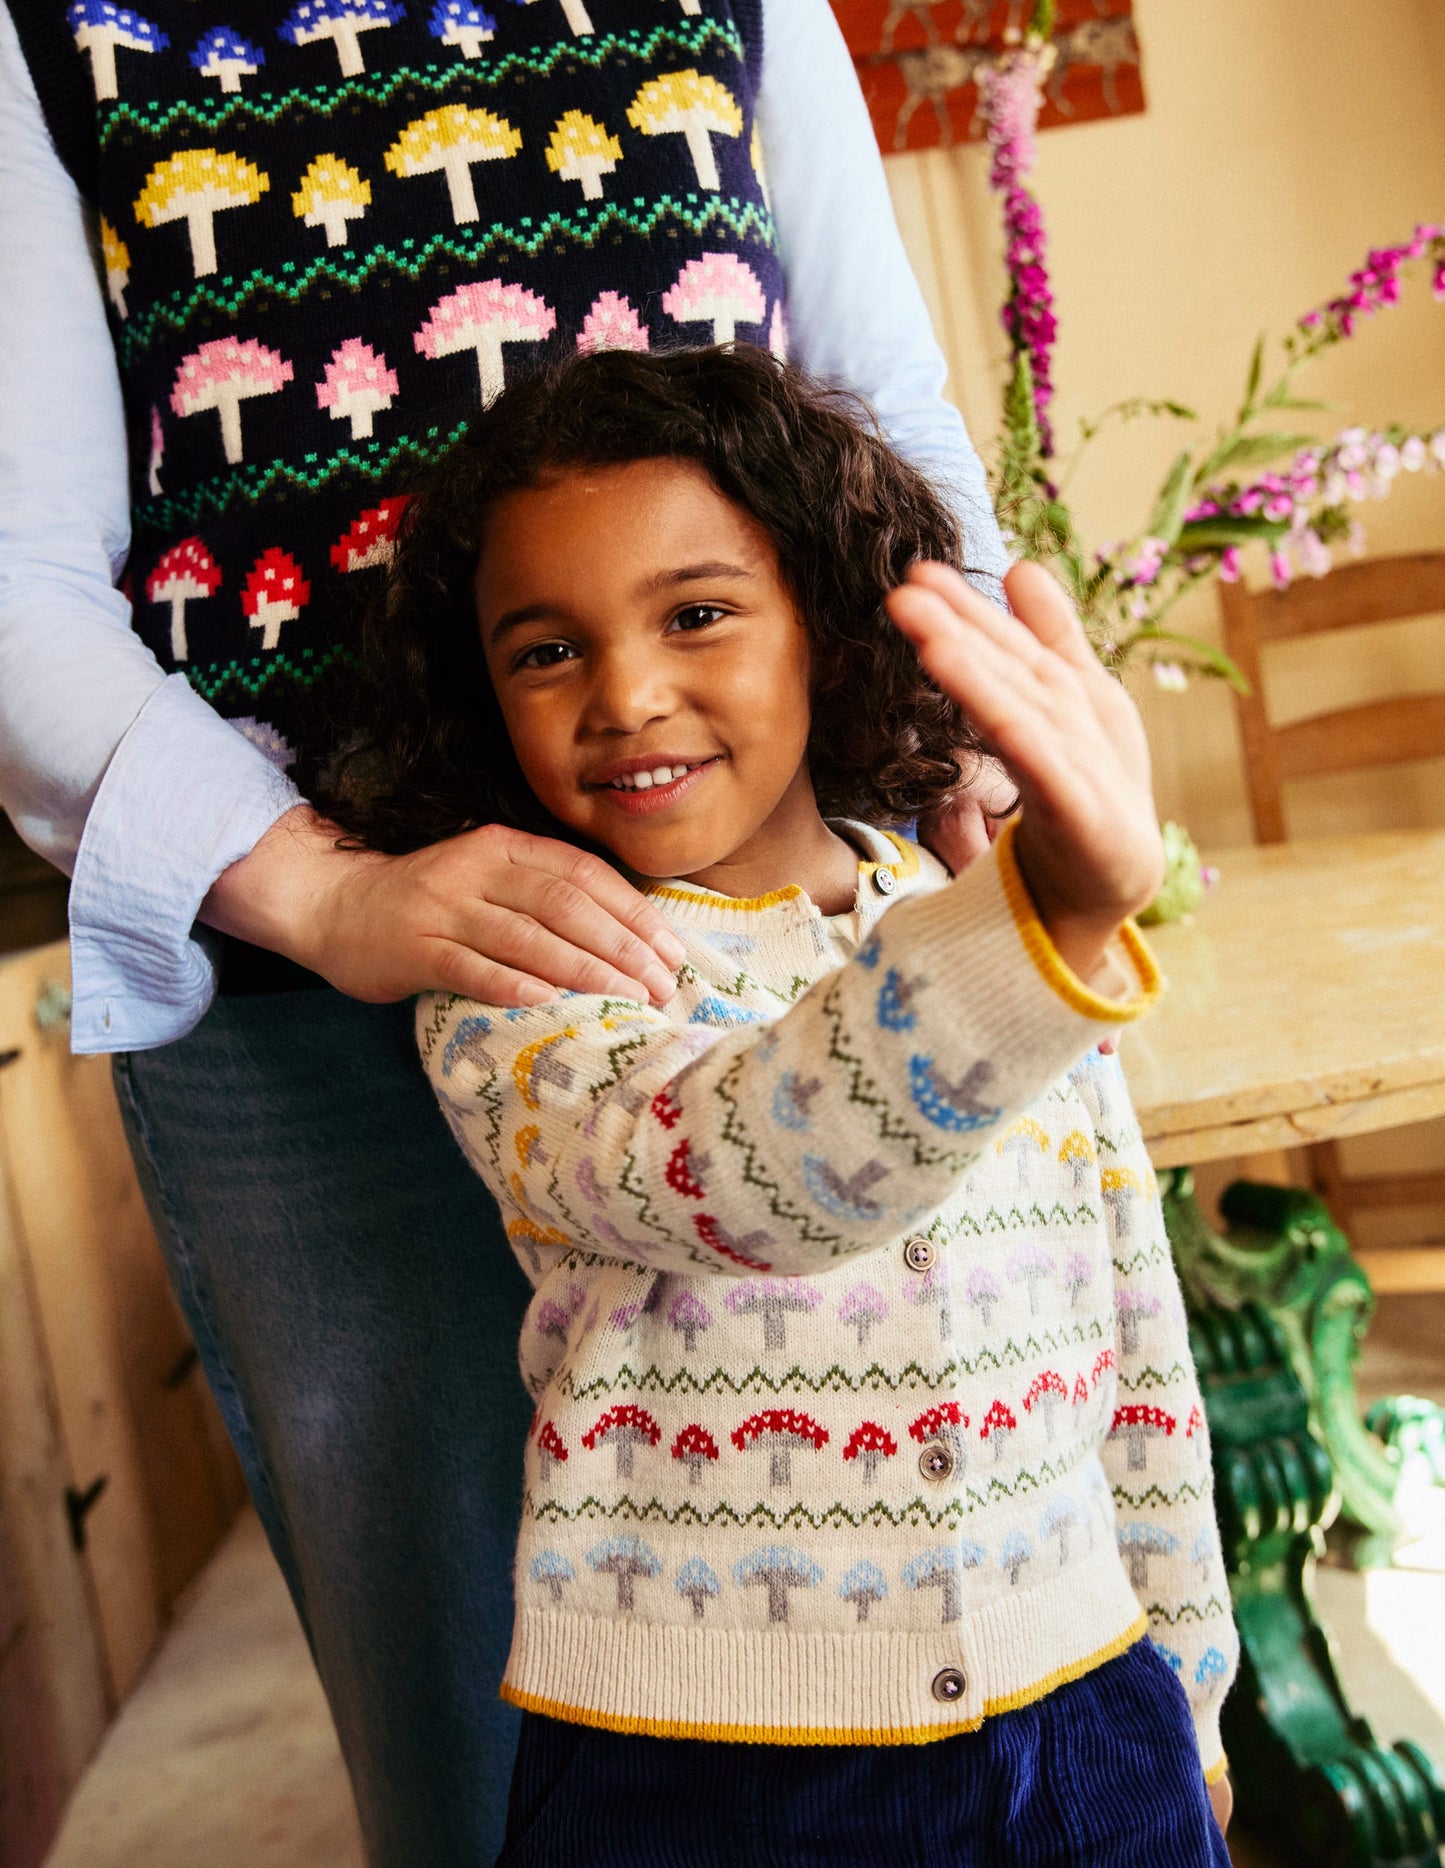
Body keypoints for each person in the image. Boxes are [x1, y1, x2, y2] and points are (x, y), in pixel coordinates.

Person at [0, 3, 1012, 1857]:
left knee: (918, 1603)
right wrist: (325, 888)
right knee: (481, 1723)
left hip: (781, 911)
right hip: (320, 978)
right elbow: (9, 576)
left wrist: (985, 727)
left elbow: (886, 398)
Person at [312, 344, 1238, 1866]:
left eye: (695, 614)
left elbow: (1132, 1332)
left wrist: (1185, 1687)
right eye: (544, 650)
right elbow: (754, 1172)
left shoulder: (964, 914)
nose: (623, 694)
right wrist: (1043, 925)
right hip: (703, 1781)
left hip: (1091, 1723)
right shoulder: (520, 991)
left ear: (822, 614)